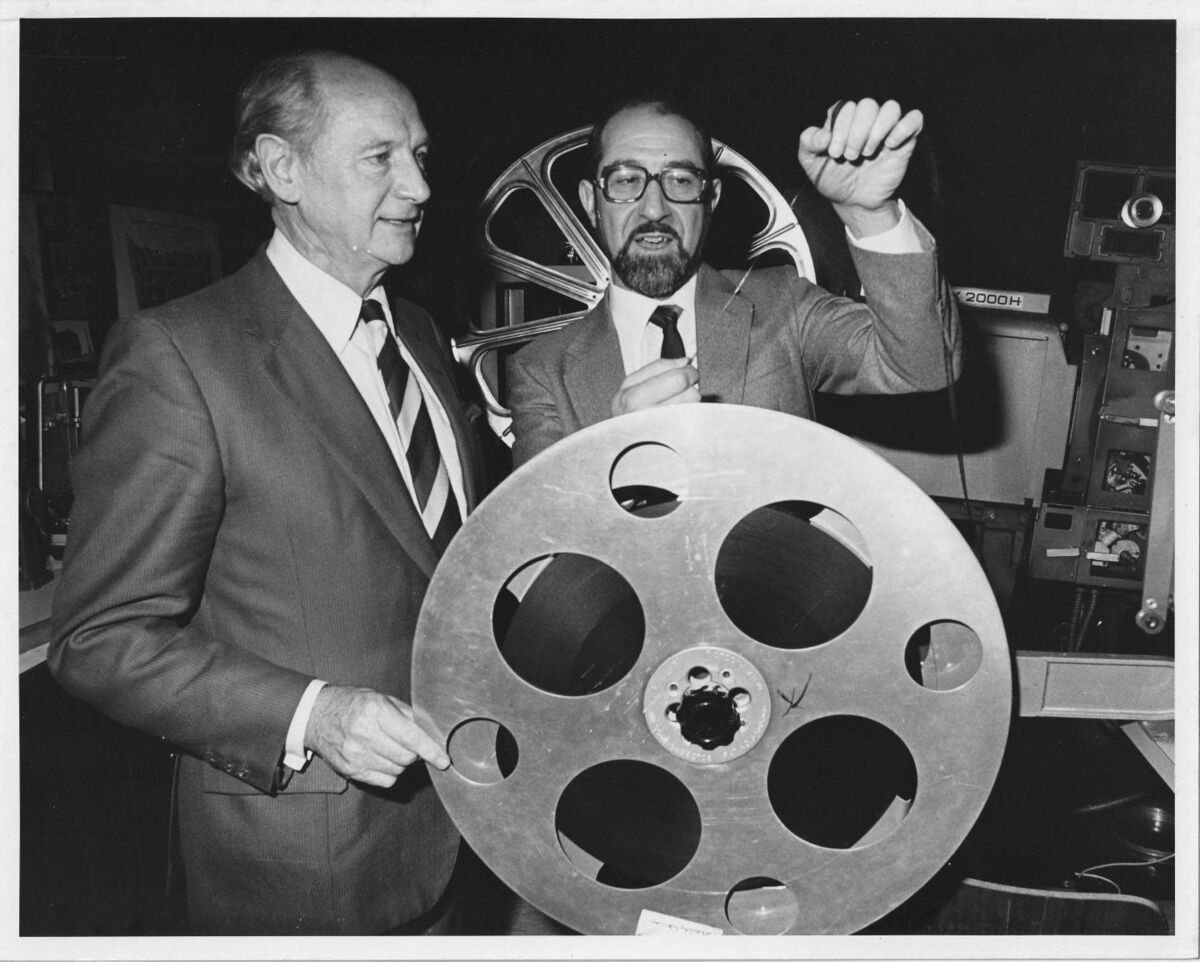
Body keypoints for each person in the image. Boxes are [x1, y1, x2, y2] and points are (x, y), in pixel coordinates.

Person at [48, 51, 484, 935]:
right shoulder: (180, 357)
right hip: (307, 867)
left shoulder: (423, 335)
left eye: (422, 156)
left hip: (463, 833)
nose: (419, 184)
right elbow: (99, 638)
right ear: (283, 168)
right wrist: (314, 713)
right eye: (381, 157)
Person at [506, 96, 961, 467]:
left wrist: (869, 211)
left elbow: (921, 364)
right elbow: (541, 538)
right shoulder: (542, 370)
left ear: (712, 199)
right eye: (626, 180)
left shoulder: (785, 305)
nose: (653, 210)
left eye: (680, 180)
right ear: (590, 201)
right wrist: (616, 452)